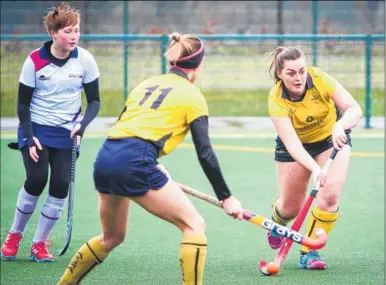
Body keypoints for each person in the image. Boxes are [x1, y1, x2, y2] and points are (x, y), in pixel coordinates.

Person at [57, 32, 244, 285]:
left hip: (107, 156)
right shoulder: (193, 95)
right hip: (136, 160)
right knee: (194, 225)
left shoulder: (147, 83)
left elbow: (128, 125)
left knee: (111, 237)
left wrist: (152, 161)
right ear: (198, 65)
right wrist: (226, 196)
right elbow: (205, 152)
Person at [1, 1, 100, 263]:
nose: (74, 36)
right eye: (68, 31)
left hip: (67, 132)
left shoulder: (85, 60)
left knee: (59, 185)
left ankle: (39, 244)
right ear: (53, 34)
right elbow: (22, 104)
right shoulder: (35, 61)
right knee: (36, 180)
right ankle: (14, 235)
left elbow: (95, 101)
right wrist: (30, 136)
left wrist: (82, 125)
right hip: (35, 128)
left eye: (76, 30)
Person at [265, 46, 362, 269]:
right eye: (291, 73)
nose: (299, 78)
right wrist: (316, 169)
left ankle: (310, 251)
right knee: (291, 208)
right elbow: (293, 146)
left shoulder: (320, 79)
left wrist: (340, 125)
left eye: (302, 71)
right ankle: (277, 221)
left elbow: (354, 109)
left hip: (331, 138)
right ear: (280, 73)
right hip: (297, 146)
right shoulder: (276, 99)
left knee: (329, 197)